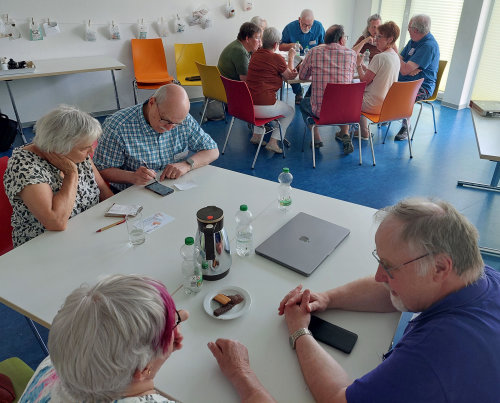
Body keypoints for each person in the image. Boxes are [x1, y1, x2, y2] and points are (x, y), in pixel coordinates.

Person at [276, 198, 500, 402]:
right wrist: (327, 298)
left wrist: (299, 332)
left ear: (440, 267)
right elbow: (393, 289)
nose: (378, 276)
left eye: (390, 267)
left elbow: (339, 399)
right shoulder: (473, 274)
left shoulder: (432, 353)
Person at [20, 274, 190, 402]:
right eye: (173, 324)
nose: (185, 315)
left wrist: (155, 353)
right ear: (143, 369)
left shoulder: (56, 365)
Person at [3, 105, 113, 248]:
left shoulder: (76, 152)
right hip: (44, 245)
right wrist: (71, 174)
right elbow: (56, 222)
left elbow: (103, 190)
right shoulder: (24, 167)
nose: (92, 151)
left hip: (89, 230)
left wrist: (122, 214)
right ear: (57, 150)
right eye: (85, 148)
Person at [93, 84, 219, 192]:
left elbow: (212, 151)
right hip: (135, 192)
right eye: (165, 121)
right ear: (152, 102)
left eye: (176, 124)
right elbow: (102, 170)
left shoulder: (182, 120)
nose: (169, 128)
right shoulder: (118, 127)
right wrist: (131, 176)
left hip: (174, 188)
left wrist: (187, 164)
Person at [299, 24, 356, 154]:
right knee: (342, 98)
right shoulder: (352, 54)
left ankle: (316, 138)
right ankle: (345, 134)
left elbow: (302, 76)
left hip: (321, 112)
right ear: (341, 39)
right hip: (346, 111)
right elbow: (350, 77)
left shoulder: (314, 52)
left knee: (303, 103)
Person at [246, 27, 298, 154]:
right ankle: (273, 142)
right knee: (290, 111)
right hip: (264, 107)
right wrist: (291, 58)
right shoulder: (277, 58)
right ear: (276, 44)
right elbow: (289, 76)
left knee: (260, 94)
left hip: (247, 106)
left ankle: (257, 136)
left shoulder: (255, 55)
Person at [395, 14, 439, 140]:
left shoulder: (428, 46)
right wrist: (406, 68)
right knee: (384, 86)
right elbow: (402, 63)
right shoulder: (413, 41)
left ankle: (406, 127)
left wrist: (392, 49)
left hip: (422, 86)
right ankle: (388, 116)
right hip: (405, 81)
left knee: (404, 96)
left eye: (409, 27)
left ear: (415, 30)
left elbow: (403, 69)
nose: (407, 30)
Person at [356, 21, 400, 140]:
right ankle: (363, 131)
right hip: (387, 106)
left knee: (350, 95)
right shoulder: (395, 56)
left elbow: (363, 82)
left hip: (373, 105)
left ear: (390, 39)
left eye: (379, 37)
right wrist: (366, 68)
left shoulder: (379, 57)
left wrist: (358, 65)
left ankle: (349, 131)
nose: (376, 39)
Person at [279, 9, 326, 105]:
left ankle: (309, 94)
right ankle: (298, 91)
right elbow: (280, 46)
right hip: (296, 58)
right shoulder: (290, 27)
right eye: (304, 25)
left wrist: (316, 49)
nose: (307, 28)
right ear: (299, 19)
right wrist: (290, 45)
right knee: (291, 72)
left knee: (322, 72)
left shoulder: (319, 26)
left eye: (310, 25)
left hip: (313, 58)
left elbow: (325, 45)